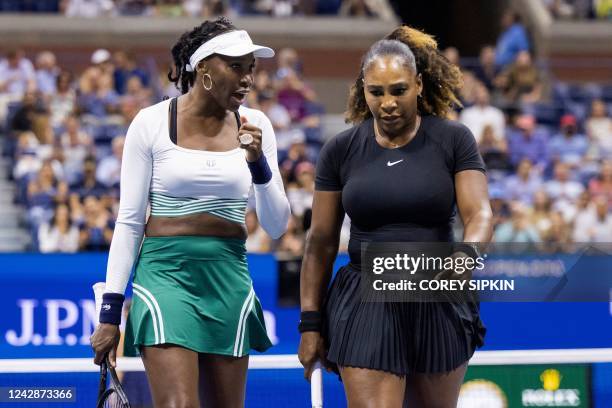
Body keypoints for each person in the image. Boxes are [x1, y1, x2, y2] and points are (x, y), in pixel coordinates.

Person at [90, 17, 290, 408]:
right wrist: (110, 310)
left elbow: (277, 225)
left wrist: (258, 164)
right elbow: (130, 222)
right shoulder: (150, 123)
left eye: (251, 68)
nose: (248, 78)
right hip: (165, 277)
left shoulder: (257, 125)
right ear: (203, 70)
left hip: (229, 278)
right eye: (236, 67)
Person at [298, 26, 493, 407]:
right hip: (365, 298)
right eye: (377, 92)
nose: (388, 102)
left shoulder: (454, 139)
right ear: (363, 90)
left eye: (399, 90)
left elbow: (480, 213)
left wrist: (467, 256)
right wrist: (310, 323)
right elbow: (319, 241)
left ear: (419, 85)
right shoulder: (340, 149)